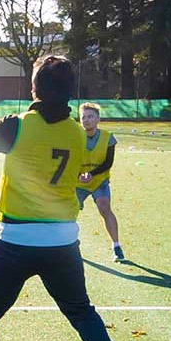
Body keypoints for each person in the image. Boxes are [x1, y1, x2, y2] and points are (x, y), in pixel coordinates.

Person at [0, 56, 137, 341]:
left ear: (34, 88)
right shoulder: (77, 133)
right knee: (82, 312)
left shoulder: (18, 125)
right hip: (61, 242)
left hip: (15, 239)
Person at [74, 102, 126, 263]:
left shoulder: (108, 138)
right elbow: (69, 160)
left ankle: (116, 246)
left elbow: (108, 162)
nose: (86, 120)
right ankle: (71, 244)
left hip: (99, 180)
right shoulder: (74, 136)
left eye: (90, 117)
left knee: (104, 207)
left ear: (98, 119)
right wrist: (78, 175)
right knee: (69, 213)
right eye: (83, 117)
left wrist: (91, 174)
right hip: (77, 182)